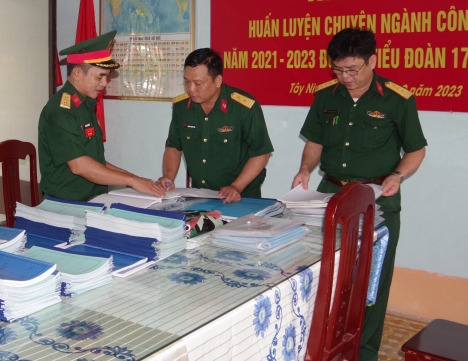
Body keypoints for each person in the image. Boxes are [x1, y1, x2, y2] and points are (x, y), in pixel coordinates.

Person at [291, 28, 426, 361]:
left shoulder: (397, 99)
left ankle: (364, 353)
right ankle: (323, 346)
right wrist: (306, 168)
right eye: (338, 70)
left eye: (352, 70)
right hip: (330, 195)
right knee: (327, 276)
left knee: (370, 284)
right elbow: (315, 142)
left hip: (377, 199)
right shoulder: (326, 96)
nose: (345, 77)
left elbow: (416, 150)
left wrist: (397, 175)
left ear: (373, 61)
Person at [38, 30, 168, 201]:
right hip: (66, 204)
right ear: (77, 73)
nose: (104, 83)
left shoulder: (83, 105)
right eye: (100, 76)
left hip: (91, 200)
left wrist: (137, 180)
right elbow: (80, 166)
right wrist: (132, 180)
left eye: (106, 77)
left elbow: (95, 161)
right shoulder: (61, 111)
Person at [157, 48, 273, 203]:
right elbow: (174, 146)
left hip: (242, 197)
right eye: (186, 81)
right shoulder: (181, 107)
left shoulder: (243, 107)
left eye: (198, 83)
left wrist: (236, 187)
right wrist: (169, 176)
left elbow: (261, 153)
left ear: (217, 81)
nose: (191, 89)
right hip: (201, 196)